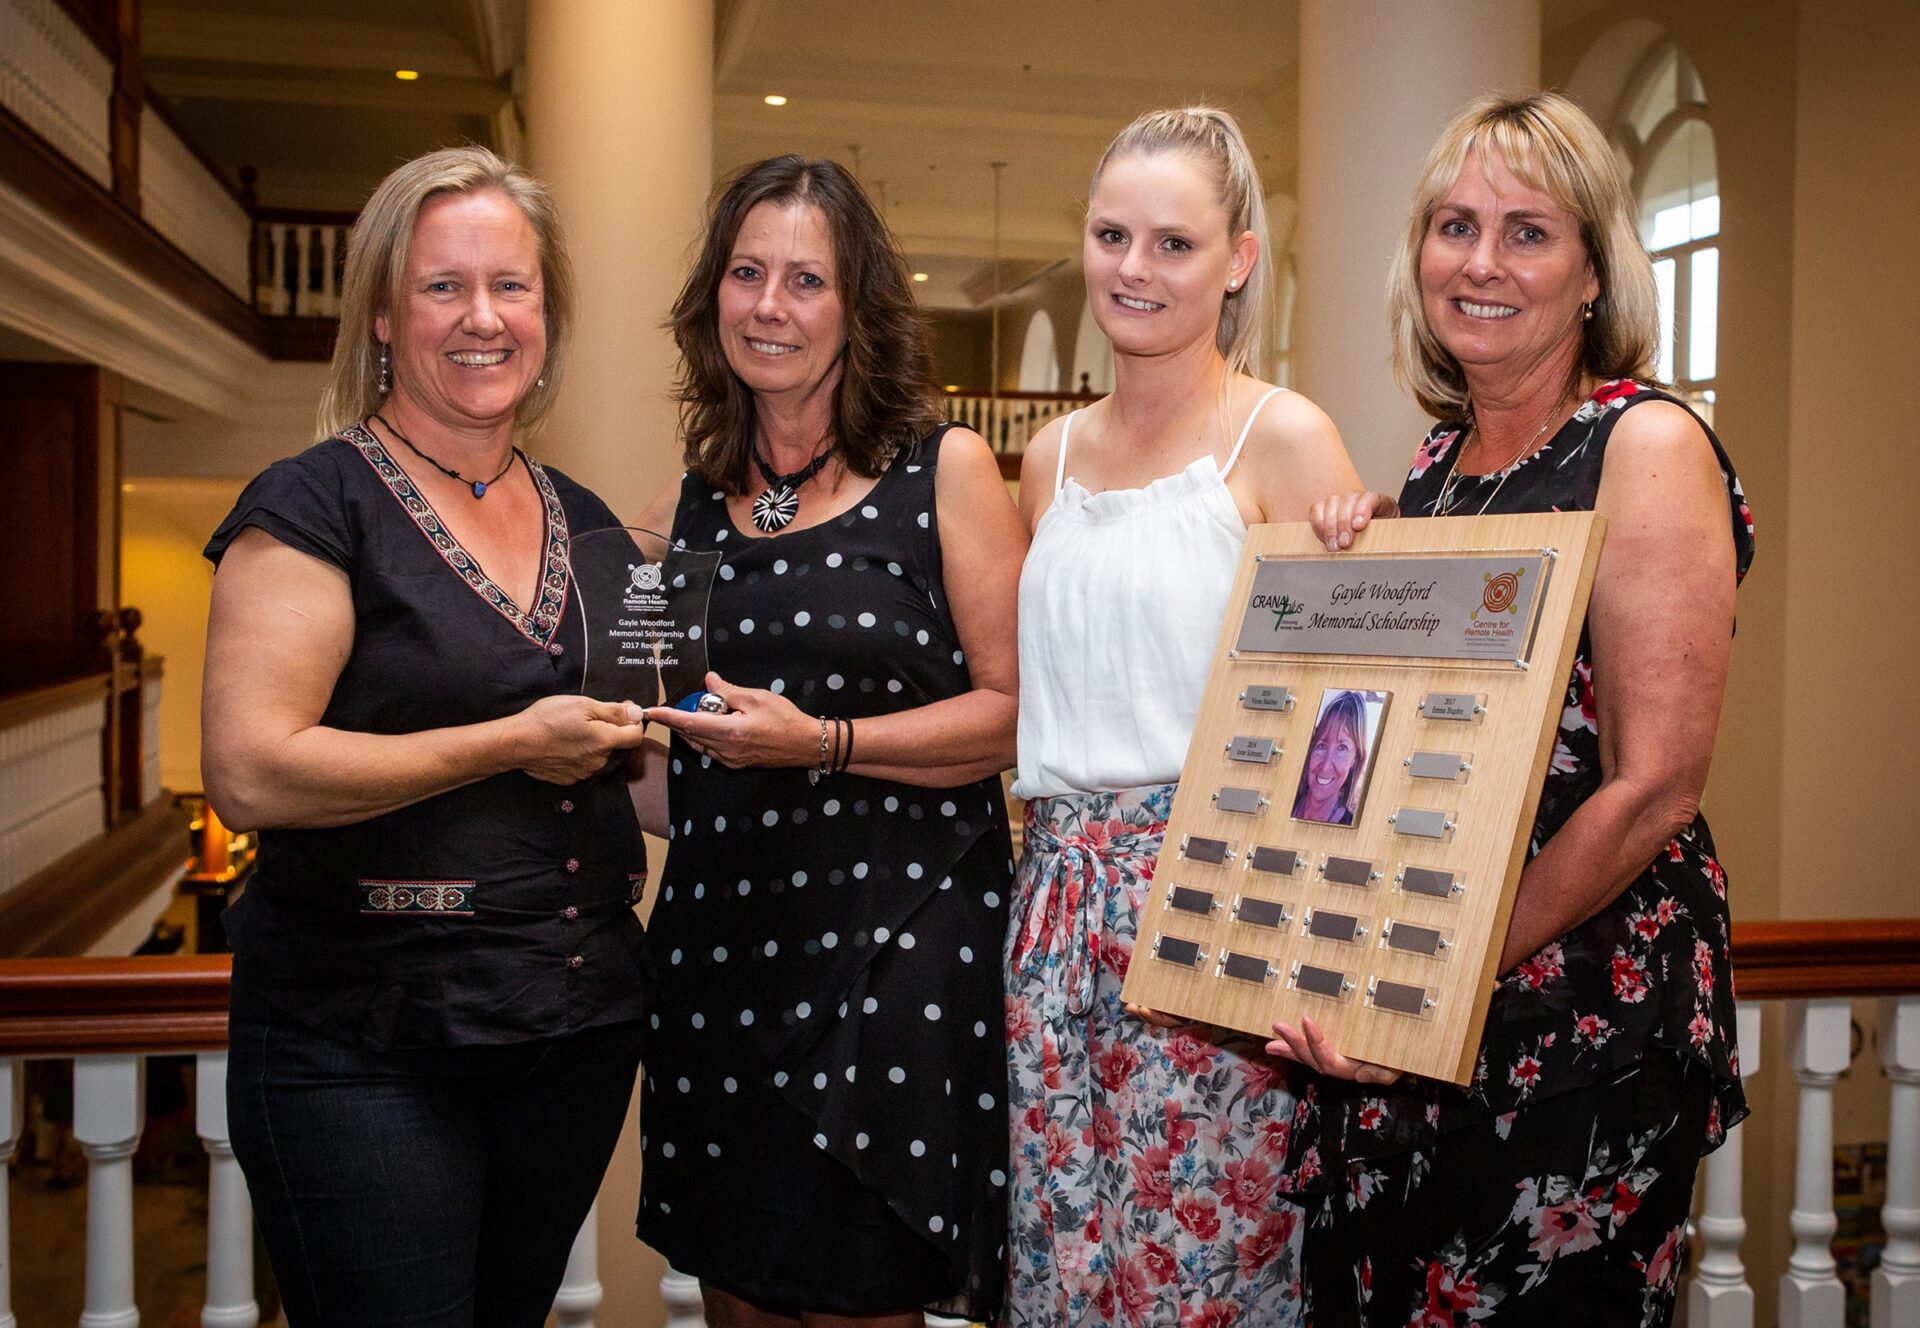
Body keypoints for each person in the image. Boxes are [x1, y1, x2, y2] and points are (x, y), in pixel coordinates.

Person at [1273, 91, 1754, 1326]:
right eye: (1455, 225)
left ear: (1594, 272)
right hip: (1422, 1002)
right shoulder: (1436, 467)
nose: (1481, 262)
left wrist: (1431, 977)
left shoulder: (1643, 444)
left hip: (1571, 1011)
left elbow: (1654, 783)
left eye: (1528, 232)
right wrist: (1354, 567)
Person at [202, 146, 654, 1326]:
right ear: (385, 318)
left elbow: (636, 779)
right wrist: (507, 740)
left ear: (547, 314)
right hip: (362, 1042)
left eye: (512, 286)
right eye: (443, 286)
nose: (483, 317)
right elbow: (250, 768)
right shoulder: (315, 501)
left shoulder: (589, 524)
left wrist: (802, 742)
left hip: (570, 1032)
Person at [630, 155, 1026, 1327]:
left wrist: (824, 742)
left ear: (858, 303)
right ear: (713, 297)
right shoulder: (679, 508)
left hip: (894, 945)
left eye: (806, 278)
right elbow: (662, 781)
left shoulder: (940, 469)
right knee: (737, 1294)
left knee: (859, 1292)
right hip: (719, 950)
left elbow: (1016, 710)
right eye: (747, 272)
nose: (770, 304)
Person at [1005, 107, 1363, 1326]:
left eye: (1173, 242)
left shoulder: (1283, 435)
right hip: (1052, 903)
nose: (1134, 269)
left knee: (1204, 1275)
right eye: (1113, 235)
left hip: (1213, 900)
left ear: (1238, 258)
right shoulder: (1046, 456)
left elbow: (1348, 728)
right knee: (1068, 1268)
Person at [1292, 690, 1371, 826]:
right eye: (1322, 745)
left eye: (1342, 748)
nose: (1326, 764)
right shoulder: (1285, 801)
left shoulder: (1349, 828)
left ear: (1355, 759)